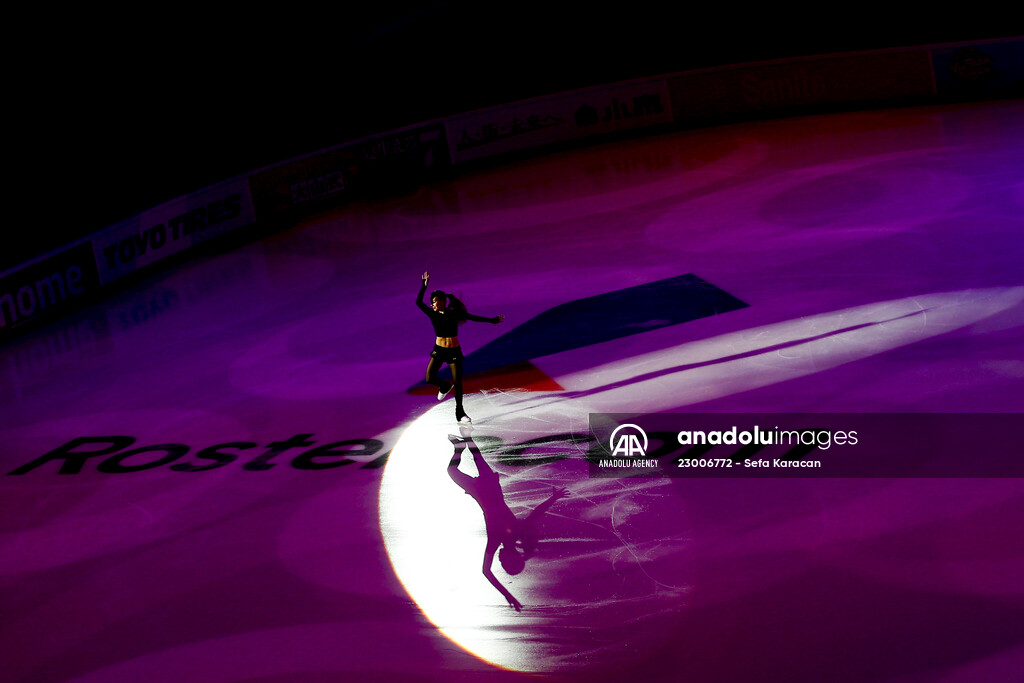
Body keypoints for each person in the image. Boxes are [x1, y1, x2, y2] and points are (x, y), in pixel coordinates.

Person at [447, 429, 569, 611]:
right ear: (511, 558)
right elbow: (486, 572)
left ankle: (463, 443)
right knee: (458, 467)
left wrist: (554, 498)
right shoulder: (498, 539)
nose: (501, 562)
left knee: (470, 462)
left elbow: (536, 514)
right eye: (504, 564)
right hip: (483, 491)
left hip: (486, 490)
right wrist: (507, 596)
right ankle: (462, 443)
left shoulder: (513, 534)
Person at [417, 271, 504, 423]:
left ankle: (460, 413)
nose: (432, 304)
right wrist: (424, 286)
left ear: (443, 301)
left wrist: (492, 320)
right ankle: (444, 386)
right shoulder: (433, 314)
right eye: (431, 302)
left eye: (435, 301)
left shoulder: (454, 314)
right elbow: (418, 302)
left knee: (458, 383)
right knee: (429, 377)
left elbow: (472, 317)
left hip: (454, 351)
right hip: (439, 350)